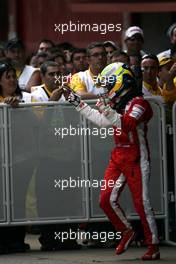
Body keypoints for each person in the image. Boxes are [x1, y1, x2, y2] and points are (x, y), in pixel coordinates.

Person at [63, 62, 160, 260]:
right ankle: (126, 231)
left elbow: (129, 124)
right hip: (118, 157)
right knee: (105, 199)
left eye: (109, 85)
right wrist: (75, 101)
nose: (107, 90)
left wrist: (107, 111)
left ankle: (154, 245)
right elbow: (100, 121)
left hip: (136, 158)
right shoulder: (117, 105)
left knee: (141, 202)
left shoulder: (140, 103)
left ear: (122, 83)